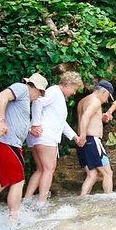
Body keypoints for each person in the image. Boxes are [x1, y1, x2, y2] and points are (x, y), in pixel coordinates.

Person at [0, 73, 48, 220]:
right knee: (18, 180)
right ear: (36, 88)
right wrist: (0, 121)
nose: (39, 97)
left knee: (6, 177)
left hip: (8, 142)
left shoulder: (25, 99)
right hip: (6, 141)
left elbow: (16, 119)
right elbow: (2, 96)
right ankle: (13, 219)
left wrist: (29, 130)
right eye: (40, 93)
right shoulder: (21, 88)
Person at [24, 71, 84, 205]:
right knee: (49, 169)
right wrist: (35, 124)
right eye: (74, 89)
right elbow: (38, 102)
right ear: (68, 84)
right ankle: (41, 203)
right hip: (45, 136)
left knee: (40, 169)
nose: (74, 93)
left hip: (38, 137)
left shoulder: (58, 96)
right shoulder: (55, 92)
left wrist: (74, 137)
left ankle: (26, 201)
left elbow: (61, 122)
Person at [76, 80, 115, 196]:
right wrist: (83, 136)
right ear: (103, 92)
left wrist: (101, 117)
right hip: (92, 141)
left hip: (83, 142)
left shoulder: (83, 100)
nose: (107, 100)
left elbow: (86, 116)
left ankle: (82, 200)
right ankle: (110, 201)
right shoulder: (96, 101)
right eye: (108, 96)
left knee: (92, 175)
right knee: (108, 173)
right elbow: (85, 116)